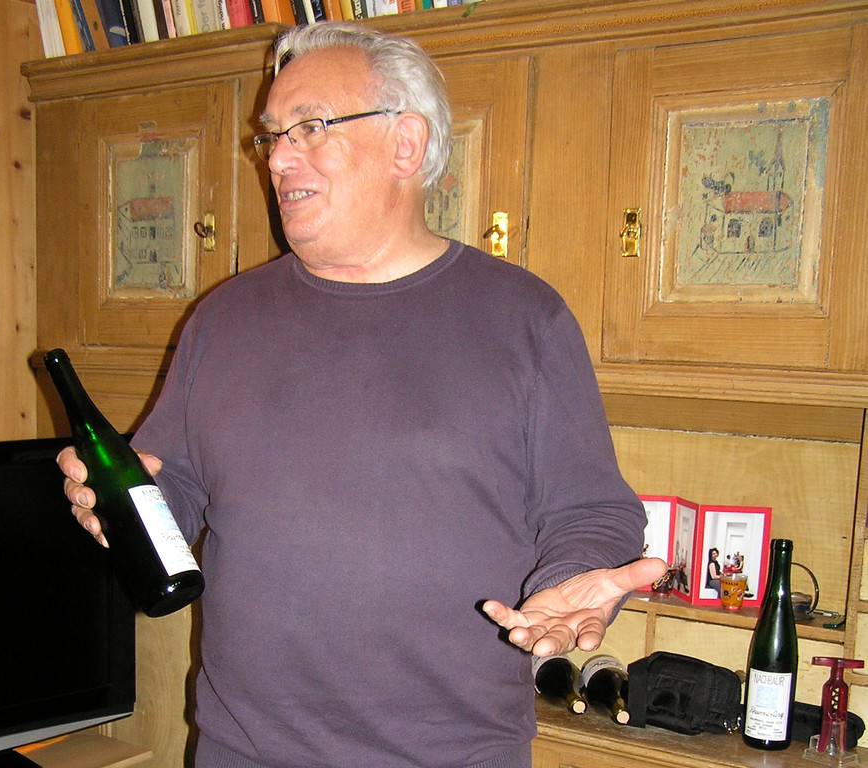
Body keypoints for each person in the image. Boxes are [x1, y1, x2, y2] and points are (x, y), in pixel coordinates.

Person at [58, 22, 666, 768]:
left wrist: (569, 579)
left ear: (406, 144)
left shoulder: (524, 319)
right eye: (272, 135)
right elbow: (174, 490)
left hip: (450, 757)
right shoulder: (221, 318)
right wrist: (120, 508)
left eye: (311, 127)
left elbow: (591, 510)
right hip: (243, 752)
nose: (278, 157)